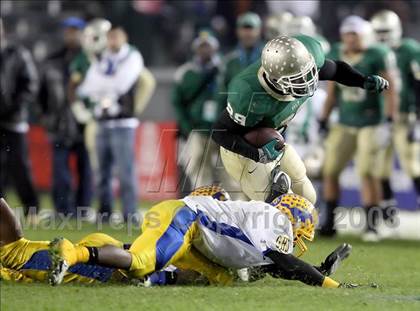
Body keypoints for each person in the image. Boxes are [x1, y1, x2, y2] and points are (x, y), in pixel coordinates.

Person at [48, 185, 356, 288]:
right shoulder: (273, 219)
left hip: (194, 235)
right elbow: (282, 260)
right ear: (295, 221)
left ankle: (100, 247)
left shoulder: (265, 228)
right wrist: (327, 284)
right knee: (142, 262)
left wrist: (321, 270)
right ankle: (70, 252)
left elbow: (276, 268)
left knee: (220, 278)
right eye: (303, 233)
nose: (301, 240)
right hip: (187, 220)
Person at [210, 30, 389, 205]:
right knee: (281, 205)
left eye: (308, 72)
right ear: (275, 79)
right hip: (242, 151)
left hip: (275, 143)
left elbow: (336, 70)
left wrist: (362, 81)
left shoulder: (306, 58)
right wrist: (257, 153)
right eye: (297, 79)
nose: (307, 81)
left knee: (308, 198)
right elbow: (219, 132)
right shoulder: (249, 93)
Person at [318, 16, 398, 240]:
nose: (350, 38)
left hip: (371, 122)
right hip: (344, 121)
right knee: (330, 170)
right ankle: (330, 223)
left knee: (366, 171)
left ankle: (371, 225)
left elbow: (391, 88)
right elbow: (333, 90)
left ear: (365, 35)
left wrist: (390, 119)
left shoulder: (377, 54)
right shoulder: (338, 52)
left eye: (355, 34)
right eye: (347, 34)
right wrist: (324, 117)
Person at [0, 198, 178, 285]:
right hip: (104, 254)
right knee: (149, 259)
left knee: (131, 273)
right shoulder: (14, 248)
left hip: (99, 255)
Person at [76, 26, 144, 222]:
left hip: (123, 122)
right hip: (103, 122)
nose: (112, 41)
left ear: (125, 38)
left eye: (116, 37)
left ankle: (130, 213)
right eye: (110, 37)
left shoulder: (132, 56)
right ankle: (104, 213)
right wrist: (104, 88)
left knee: (125, 171)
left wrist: (102, 87)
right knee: (101, 172)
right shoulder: (103, 58)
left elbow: (122, 84)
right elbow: (87, 87)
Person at [38, 17, 93, 217]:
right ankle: (63, 210)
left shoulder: (91, 60)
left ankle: (83, 210)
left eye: (75, 31)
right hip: (58, 124)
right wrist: (44, 115)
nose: (70, 35)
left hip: (85, 124)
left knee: (85, 170)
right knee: (60, 172)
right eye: (68, 31)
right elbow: (41, 92)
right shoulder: (52, 60)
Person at [370, 10, 420, 212]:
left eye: (386, 31)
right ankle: (388, 206)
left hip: (404, 115)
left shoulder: (408, 49)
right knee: (380, 166)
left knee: (412, 164)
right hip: (381, 117)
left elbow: (418, 85)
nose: (382, 36)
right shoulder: (373, 52)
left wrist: (417, 119)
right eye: (379, 31)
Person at [172, 30, 223, 188]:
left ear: (215, 48)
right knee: (198, 172)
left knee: (228, 174)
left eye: (208, 46)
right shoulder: (186, 72)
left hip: (223, 131)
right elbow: (177, 102)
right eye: (201, 46)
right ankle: (203, 206)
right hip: (197, 129)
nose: (205, 50)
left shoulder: (224, 69)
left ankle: (231, 210)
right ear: (195, 49)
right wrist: (187, 126)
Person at [0, 18, 39, 217]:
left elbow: (31, 84)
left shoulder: (17, 54)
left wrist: (14, 107)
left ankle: (32, 209)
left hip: (14, 120)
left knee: (20, 166)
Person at [218, 12, 264, 106]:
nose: (247, 33)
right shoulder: (229, 60)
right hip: (234, 114)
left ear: (259, 30)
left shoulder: (269, 57)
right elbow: (221, 93)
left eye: (251, 29)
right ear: (237, 31)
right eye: (244, 29)